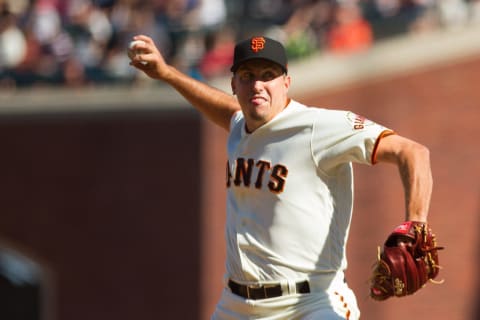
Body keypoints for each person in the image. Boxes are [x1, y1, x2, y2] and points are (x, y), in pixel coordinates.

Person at [129, 35, 432, 319]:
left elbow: (413, 152)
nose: (257, 85)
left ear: (286, 82)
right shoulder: (240, 124)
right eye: (247, 76)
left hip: (310, 303)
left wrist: (415, 224)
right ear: (233, 84)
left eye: (267, 75)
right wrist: (167, 73)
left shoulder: (317, 127)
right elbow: (223, 108)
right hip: (237, 305)